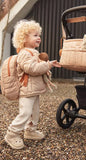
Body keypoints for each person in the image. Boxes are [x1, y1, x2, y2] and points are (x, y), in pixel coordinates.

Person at [4, 19, 61, 149]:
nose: (39, 37)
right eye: (35, 35)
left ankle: (30, 131)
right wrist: (48, 65)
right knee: (25, 112)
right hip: (27, 89)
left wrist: (49, 63)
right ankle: (12, 134)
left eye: (38, 35)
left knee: (34, 112)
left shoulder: (33, 52)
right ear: (24, 38)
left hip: (34, 89)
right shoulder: (24, 53)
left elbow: (37, 65)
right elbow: (32, 69)